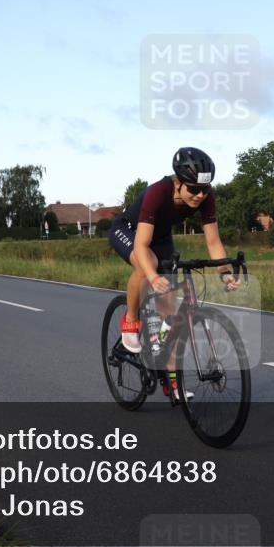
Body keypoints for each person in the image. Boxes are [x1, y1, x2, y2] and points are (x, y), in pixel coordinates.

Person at [109, 148, 242, 396]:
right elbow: (140, 244)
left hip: (160, 237)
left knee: (169, 316)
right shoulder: (158, 192)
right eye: (193, 189)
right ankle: (130, 321)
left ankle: (172, 381)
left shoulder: (206, 196)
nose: (200, 195)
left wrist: (225, 272)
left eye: (205, 189)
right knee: (145, 261)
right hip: (129, 231)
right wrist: (152, 276)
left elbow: (213, 241)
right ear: (178, 183)